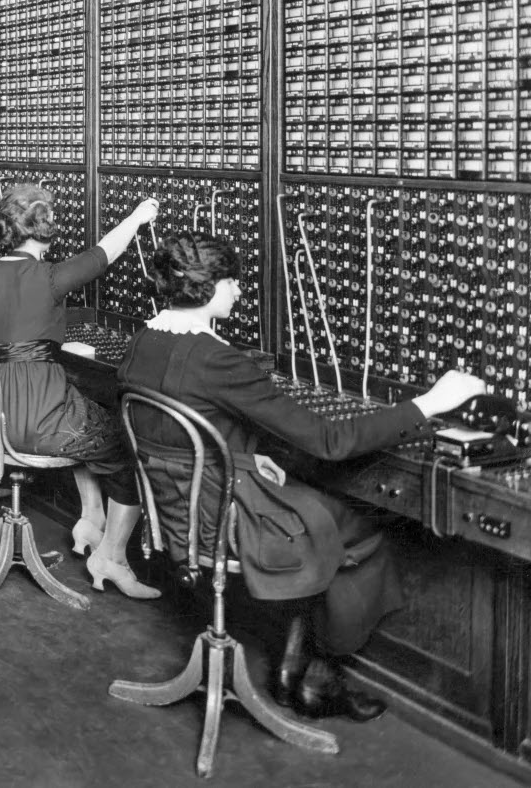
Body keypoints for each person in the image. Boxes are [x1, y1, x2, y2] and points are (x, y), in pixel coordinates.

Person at [114, 232, 488, 722]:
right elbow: (330, 441)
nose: (239, 293)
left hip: (178, 514)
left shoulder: (145, 340)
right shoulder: (218, 359)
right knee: (359, 532)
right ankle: (317, 675)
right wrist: (429, 403)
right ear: (208, 289)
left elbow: (176, 429)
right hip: (228, 521)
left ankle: (294, 666)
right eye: (232, 283)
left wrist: (245, 454)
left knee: (318, 511)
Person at [0, 183, 161, 599]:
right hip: (37, 417)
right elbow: (106, 252)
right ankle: (111, 556)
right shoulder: (50, 277)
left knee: (85, 416)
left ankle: (89, 519)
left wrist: (29, 346)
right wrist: (138, 217)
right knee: (123, 444)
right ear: (46, 226)